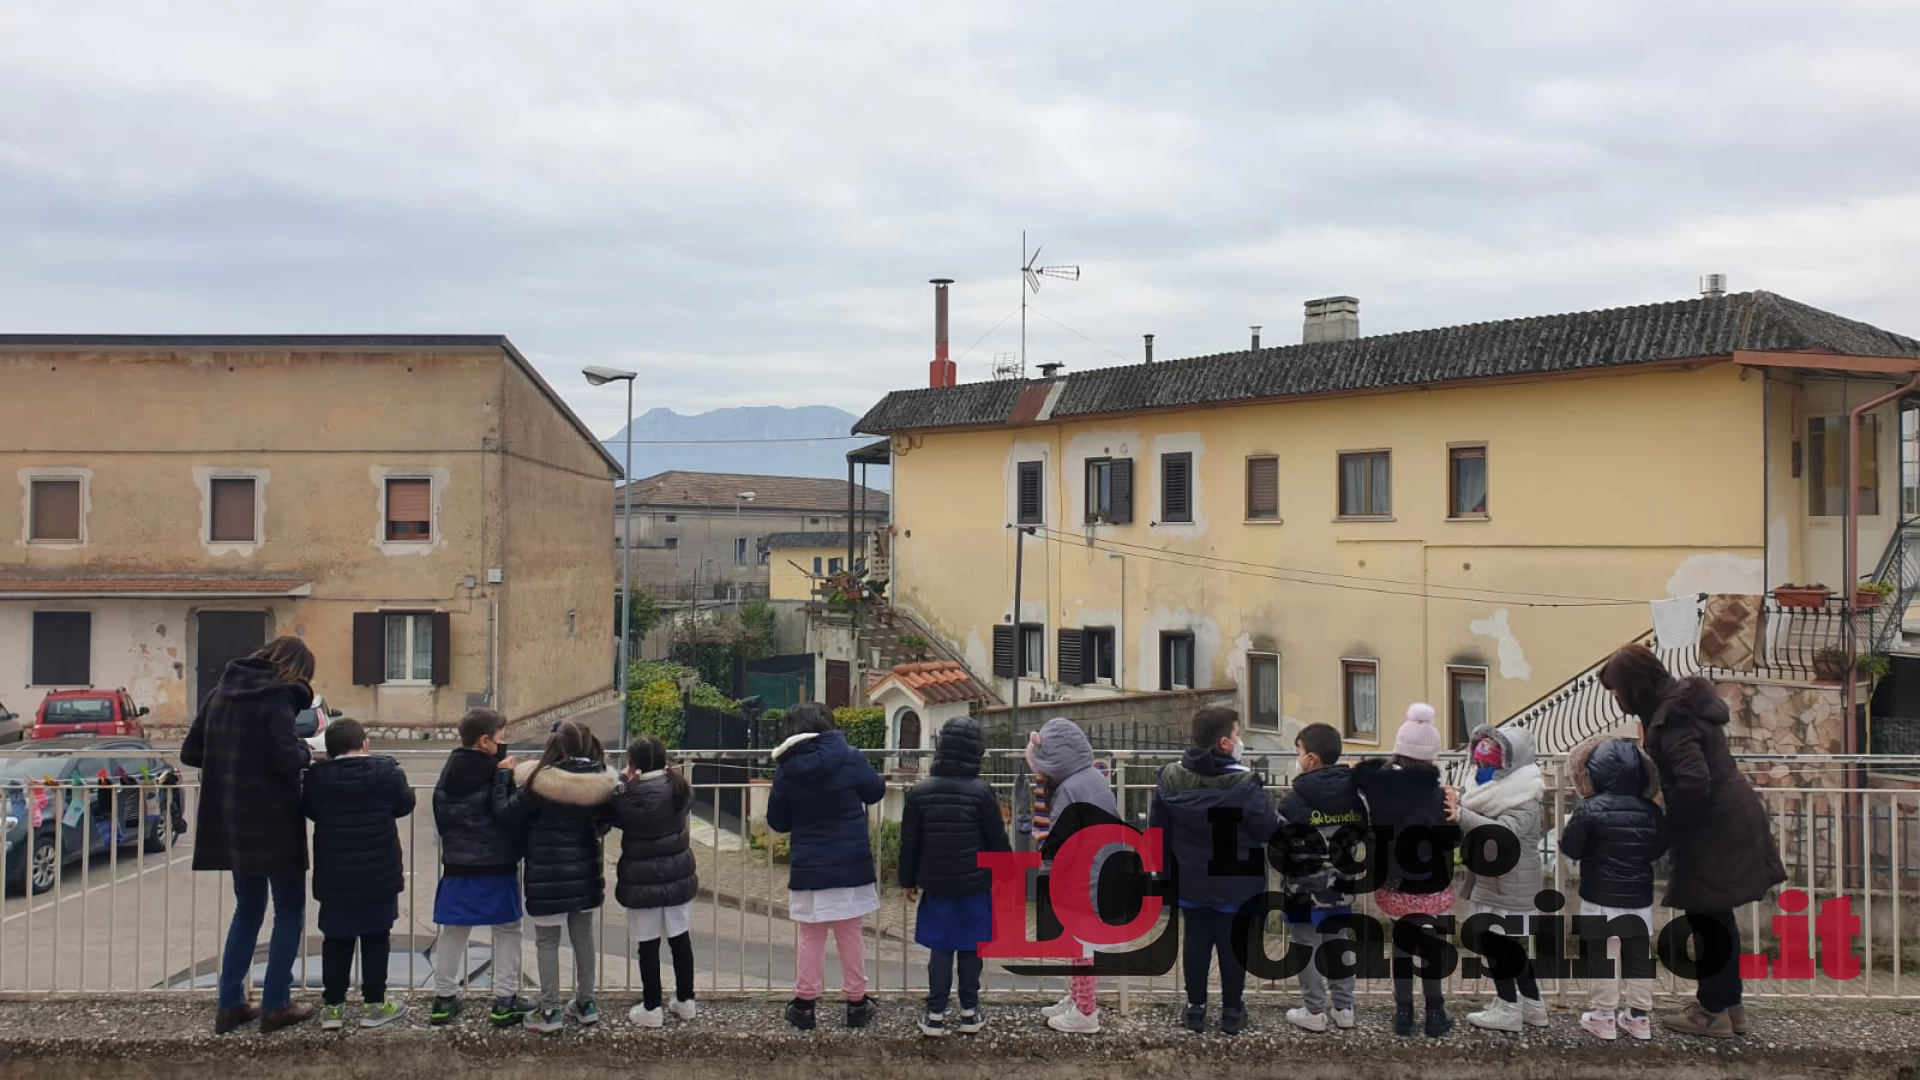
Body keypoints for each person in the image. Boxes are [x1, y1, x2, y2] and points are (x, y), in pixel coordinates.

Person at [1599, 643, 1785, 1039]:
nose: (1616, 699)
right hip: (1729, 817)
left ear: (1634, 686)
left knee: (1707, 921)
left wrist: (1668, 827)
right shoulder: (1678, 706)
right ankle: (1729, 1007)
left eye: (1617, 690)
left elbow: (1694, 781)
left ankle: (1712, 1013)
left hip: (1714, 827)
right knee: (1716, 917)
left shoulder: (1673, 719)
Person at [180, 635, 317, 1035]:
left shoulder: (220, 691)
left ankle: (231, 1004)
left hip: (231, 819)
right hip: (273, 818)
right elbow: (284, 757)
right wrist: (307, 753)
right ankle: (277, 1004)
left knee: (248, 909)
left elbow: (191, 753)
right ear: (297, 669)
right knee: (289, 909)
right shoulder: (277, 698)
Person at [1148, 706, 1278, 1036]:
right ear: (1224, 742)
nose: (1240, 740)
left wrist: (1161, 874)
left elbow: (1157, 830)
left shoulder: (1172, 778)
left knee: (1195, 940)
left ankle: (1195, 1010)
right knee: (1233, 944)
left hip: (1190, 877)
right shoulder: (1245, 783)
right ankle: (1232, 1012)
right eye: (1237, 735)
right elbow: (1267, 830)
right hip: (1236, 879)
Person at [768, 701, 886, 1031]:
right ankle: (857, 1003)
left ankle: (804, 1005)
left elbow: (777, 821)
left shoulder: (787, 768)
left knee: (810, 936)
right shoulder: (849, 756)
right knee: (850, 935)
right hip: (850, 864)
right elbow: (875, 791)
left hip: (810, 866)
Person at [301, 718, 416, 1030]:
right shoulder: (388, 770)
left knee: (336, 937)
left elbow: (309, 809)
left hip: (335, 871)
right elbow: (405, 804)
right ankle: (375, 1004)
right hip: (378, 869)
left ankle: (333, 1008)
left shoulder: (317, 778)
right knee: (377, 935)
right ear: (365, 744)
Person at [900, 716, 1011, 1038]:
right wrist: (1006, 877)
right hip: (975, 884)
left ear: (940, 748)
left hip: (936, 886)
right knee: (971, 947)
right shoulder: (982, 792)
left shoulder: (919, 793)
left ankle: (935, 1013)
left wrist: (908, 880)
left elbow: (910, 843)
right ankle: (969, 1010)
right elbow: (996, 840)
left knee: (941, 948)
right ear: (977, 752)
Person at [1352, 703, 1456, 1039]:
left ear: (1398, 750)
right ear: (1431, 756)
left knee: (1400, 945)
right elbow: (1449, 838)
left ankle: (1403, 1014)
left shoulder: (1378, 787)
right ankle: (1436, 1013)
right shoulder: (1436, 794)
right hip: (1430, 884)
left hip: (1394, 883)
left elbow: (1358, 773)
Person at [428, 707, 533, 1028]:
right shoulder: (497, 773)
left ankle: (444, 999)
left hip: (458, 864)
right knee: (507, 930)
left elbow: (442, 816)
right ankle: (505, 999)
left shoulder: (449, 771)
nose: (505, 744)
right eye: (502, 738)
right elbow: (507, 814)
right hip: (497, 864)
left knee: (454, 931)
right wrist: (505, 776)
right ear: (485, 741)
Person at [1560, 735, 1668, 1042]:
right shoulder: (1651, 810)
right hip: (1639, 896)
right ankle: (1639, 1016)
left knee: (1603, 954)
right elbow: (1659, 847)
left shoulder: (1590, 809)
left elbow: (1572, 847)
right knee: (1637, 953)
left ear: (1594, 771)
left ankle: (1604, 1016)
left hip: (1599, 895)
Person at [514, 720, 618, 1034]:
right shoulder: (599, 782)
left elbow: (515, 814)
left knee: (546, 941)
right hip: (585, 869)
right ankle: (586, 1003)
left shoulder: (538, 780)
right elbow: (603, 823)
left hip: (546, 870)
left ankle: (549, 1011)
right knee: (583, 937)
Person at [1028, 717, 1121, 1035]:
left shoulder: (1069, 790)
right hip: (1101, 872)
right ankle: (1077, 997)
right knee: (1078, 946)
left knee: (1082, 949)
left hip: (1086, 881)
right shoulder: (1089, 778)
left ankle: (1085, 1012)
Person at [1457, 723, 1549, 1035]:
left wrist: (1460, 815)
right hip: (1495, 883)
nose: (1481, 771)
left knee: (1499, 946)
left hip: (1508, 886)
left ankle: (1510, 1007)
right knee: (1505, 946)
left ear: (1508, 769)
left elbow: (1501, 835)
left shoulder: (1524, 801)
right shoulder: (1492, 796)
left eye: (1489, 766)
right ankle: (1530, 1004)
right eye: (1479, 764)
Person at [1276, 722, 1368, 1034]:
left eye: (1299, 751)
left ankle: (1314, 1010)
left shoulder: (1294, 800)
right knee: (1339, 942)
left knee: (1307, 946)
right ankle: (1344, 1008)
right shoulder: (1355, 797)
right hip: (1341, 885)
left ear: (1312, 758)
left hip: (1302, 888)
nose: (1297, 757)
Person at [610, 736, 700, 1028]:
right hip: (677, 874)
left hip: (642, 879)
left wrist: (623, 780)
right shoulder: (679, 787)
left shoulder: (628, 795)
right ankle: (686, 1001)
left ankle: (652, 1007)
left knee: (647, 947)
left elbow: (615, 812)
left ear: (632, 763)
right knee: (680, 940)